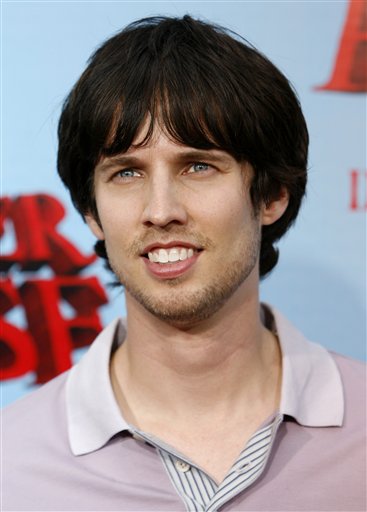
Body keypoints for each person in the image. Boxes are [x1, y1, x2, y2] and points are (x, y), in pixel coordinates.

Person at [3, 15, 365, 512]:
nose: (160, 211)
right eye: (126, 172)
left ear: (272, 194)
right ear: (91, 212)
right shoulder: (13, 465)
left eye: (197, 166)